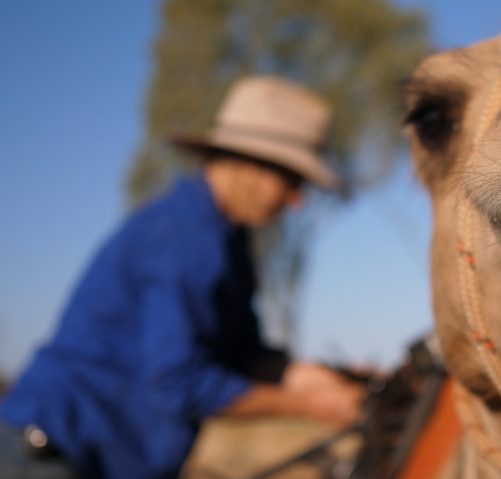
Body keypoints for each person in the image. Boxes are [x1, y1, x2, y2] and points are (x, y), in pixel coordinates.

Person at [0, 76, 367, 479]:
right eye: (292, 182)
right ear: (250, 165)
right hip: (48, 458)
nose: (296, 203)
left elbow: (243, 357)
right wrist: (314, 408)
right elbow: (178, 384)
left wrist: (321, 380)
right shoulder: (184, 238)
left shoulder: (227, 246)